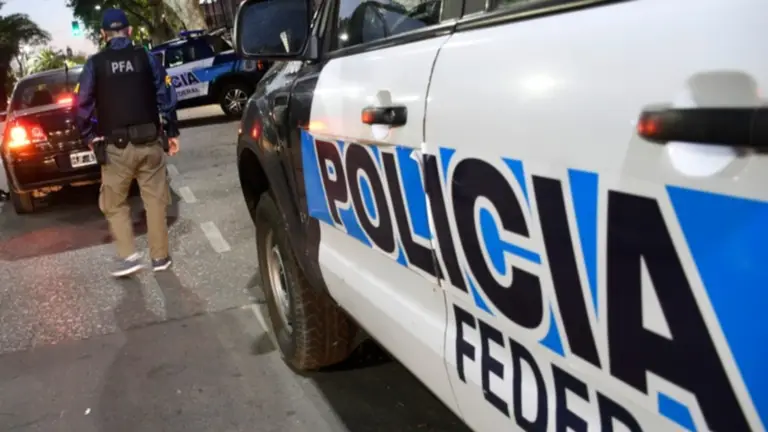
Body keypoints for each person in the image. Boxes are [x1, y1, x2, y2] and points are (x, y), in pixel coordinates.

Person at [76, 8, 180, 277]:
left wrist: (89, 137)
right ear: (130, 31)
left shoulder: (95, 64)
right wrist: (172, 131)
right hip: (150, 141)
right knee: (155, 200)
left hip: (116, 148)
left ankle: (128, 256)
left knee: (113, 203)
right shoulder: (146, 57)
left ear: (103, 34)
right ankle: (160, 257)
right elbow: (166, 93)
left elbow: (82, 105)